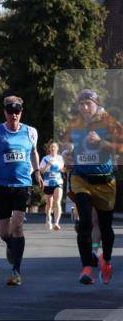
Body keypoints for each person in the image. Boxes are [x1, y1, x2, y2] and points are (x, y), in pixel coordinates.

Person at [60, 89, 122, 285]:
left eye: (88, 103)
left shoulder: (109, 121)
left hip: (104, 181)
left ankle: (107, 260)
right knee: (85, 222)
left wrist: (100, 142)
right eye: (81, 104)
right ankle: (86, 268)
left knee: (106, 228)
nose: (85, 107)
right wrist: (66, 153)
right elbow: (66, 144)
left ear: (96, 104)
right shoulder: (75, 123)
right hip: (81, 179)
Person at [0, 96, 40, 286]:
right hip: (0, 185)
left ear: (21, 112)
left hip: (22, 184)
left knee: (18, 226)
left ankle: (16, 271)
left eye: (17, 111)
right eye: (10, 111)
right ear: (4, 112)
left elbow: (33, 152)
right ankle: (10, 245)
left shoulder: (30, 132)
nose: (14, 114)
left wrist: (37, 171)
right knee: (4, 232)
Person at [40, 141, 65, 230]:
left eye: (55, 147)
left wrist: (64, 170)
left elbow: (63, 169)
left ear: (57, 149)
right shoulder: (45, 158)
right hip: (47, 183)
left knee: (57, 202)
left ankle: (57, 223)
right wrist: (48, 164)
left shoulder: (60, 158)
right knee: (49, 204)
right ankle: (48, 217)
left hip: (58, 182)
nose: (53, 148)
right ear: (49, 149)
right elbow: (42, 171)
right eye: (51, 147)